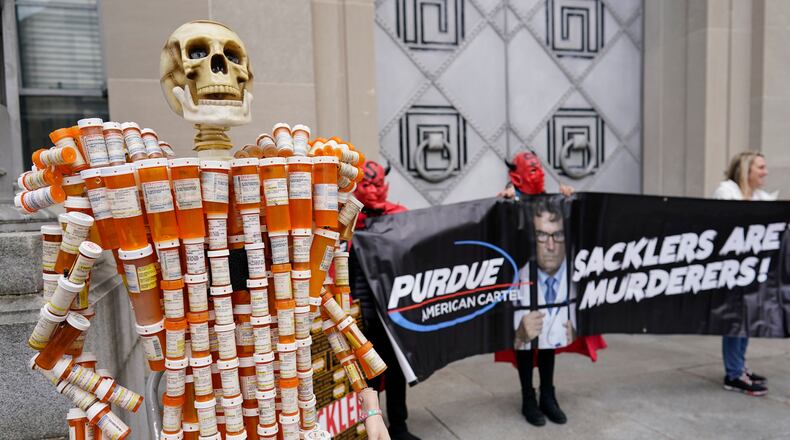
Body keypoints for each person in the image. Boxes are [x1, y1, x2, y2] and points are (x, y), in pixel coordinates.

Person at [496, 150, 606, 427]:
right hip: (521, 280)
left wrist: (570, 201)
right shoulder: (509, 201)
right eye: (531, 169)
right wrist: (504, 204)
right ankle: (527, 397)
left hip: (550, 278)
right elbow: (499, 234)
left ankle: (548, 394)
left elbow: (573, 229)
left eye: (539, 167)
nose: (539, 173)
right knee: (524, 337)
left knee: (549, 337)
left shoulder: (552, 201)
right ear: (516, 175)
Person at [349, 161, 418, 440]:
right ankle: (372, 428)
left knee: (397, 370)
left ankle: (399, 426)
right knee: (368, 376)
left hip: (393, 311)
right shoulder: (347, 219)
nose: (374, 190)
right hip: (361, 313)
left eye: (378, 184)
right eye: (367, 184)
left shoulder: (398, 216)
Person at [713, 151, 776, 396]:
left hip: (752, 271)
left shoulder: (761, 197)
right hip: (731, 271)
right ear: (745, 170)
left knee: (746, 320)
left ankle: (739, 366)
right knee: (734, 321)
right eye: (760, 167)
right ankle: (734, 374)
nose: (765, 172)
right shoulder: (726, 191)